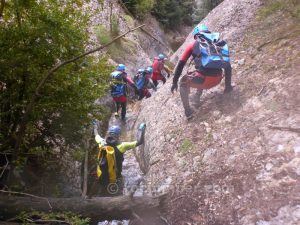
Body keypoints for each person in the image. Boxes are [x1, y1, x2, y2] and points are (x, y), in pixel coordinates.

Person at [171, 24, 233, 119]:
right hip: (218, 78)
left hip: (203, 81)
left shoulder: (193, 44)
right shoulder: (217, 42)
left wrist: (174, 82)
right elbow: (227, 65)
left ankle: (188, 112)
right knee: (200, 71)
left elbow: (180, 65)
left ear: (196, 36)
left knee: (183, 82)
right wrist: (228, 86)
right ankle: (197, 97)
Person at [94, 122, 146, 194]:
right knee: (116, 191)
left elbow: (96, 135)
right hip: (115, 176)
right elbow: (140, 141)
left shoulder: (101, 142)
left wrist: (95, 126)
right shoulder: (122, 146)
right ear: (118, 135)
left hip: (101, 174)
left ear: (109, 134)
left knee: (103, 190)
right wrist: (141, 129)